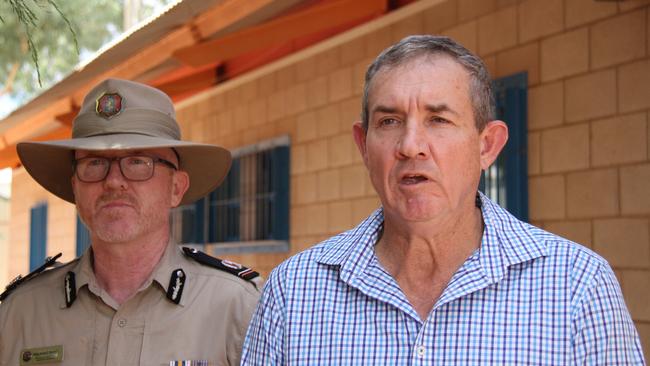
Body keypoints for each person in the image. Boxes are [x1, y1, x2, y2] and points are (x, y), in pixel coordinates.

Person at [241, 35, 645, 364]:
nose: (411, 146)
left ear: (488, 146)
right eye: (389, 121)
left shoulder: (576, 285)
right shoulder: (293, 292)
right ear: (364, 146)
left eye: (438, 120)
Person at [0, 78, 262, 365]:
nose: (113, 181)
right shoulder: (19, 313)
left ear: (176, 188)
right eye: (94, 163)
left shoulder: (240, 308)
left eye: (138, 162)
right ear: (75, 187)